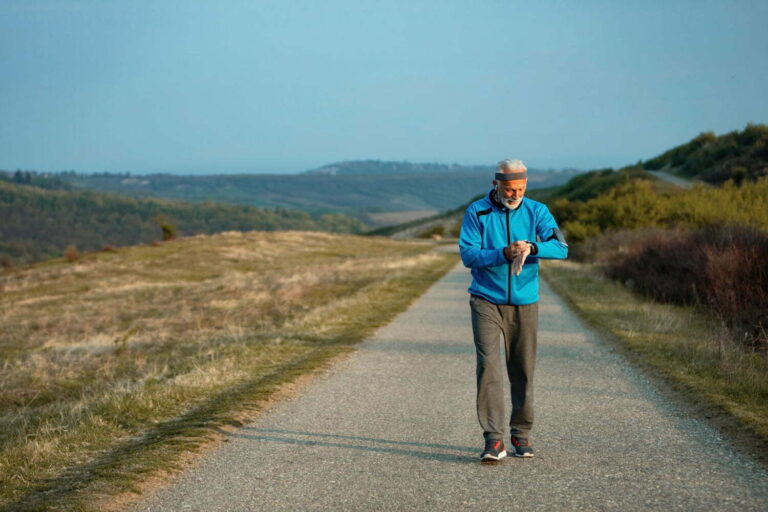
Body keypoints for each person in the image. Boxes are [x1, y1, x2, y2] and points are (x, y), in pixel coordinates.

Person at [458, 158, 568, 461]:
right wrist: (503, 253)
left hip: (525, 303)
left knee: (522, 369)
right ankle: (493, 439)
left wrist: (533, 247)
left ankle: (520, 433)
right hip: (485, 300)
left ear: (526, 184)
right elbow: (468, 255)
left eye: (519, 188)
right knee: (489, 367)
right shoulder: (477, 212)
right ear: (496, 184)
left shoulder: (538, 212)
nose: (514, 194)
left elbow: (561, 247)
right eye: (509, 188)